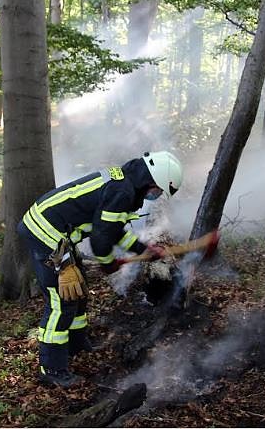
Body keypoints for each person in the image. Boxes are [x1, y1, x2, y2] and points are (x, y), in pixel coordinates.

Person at [17, 151, 183, 387]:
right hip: (45, 233)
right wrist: (107, 263)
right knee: (62, 300)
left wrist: (143, 250)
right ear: (152, 181)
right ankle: (51, 368)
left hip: (60, 236)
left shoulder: (127, 184)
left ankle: (75, 344)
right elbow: (101, 239)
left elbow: (113, 230)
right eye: (159, 190)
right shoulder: (122, 192)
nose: (157, 195)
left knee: (78, 290)